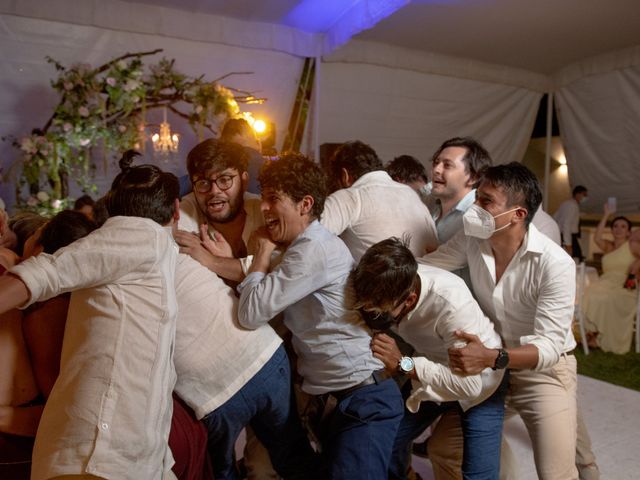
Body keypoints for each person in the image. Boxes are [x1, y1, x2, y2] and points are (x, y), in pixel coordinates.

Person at [0, 154, 181, 479]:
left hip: (132, 454)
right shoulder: (143, 234)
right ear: (177, 211)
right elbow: (47, 272)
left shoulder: (160, 251)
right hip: (98, 454)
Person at [237, 153, 404, 478]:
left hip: (364, 400)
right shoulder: (305, 247)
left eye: (274, 199)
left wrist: (261, 252)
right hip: (336, 400)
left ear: (305, 204)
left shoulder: (313, 248)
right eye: (263, 197)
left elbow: (251, 312)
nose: (265, 208)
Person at [422, 162, 579, 480]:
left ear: (518, 215)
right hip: (491, 367)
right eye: (477, 197)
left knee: (556, 472)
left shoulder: (555, 264)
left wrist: (491, 357)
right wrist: (383, 269)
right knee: (444, 449)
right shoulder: (472, 239)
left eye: (486, 201)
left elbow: (548, 347)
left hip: (543, 373)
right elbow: (426, 266)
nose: (475, 207)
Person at [351, 237, 507, 479]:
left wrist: (404, 364)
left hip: (482, 383)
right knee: (384, 440)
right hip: (433, 369)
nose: (374, 314)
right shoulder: (391, 279)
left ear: (410, 300)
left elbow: (469, 385)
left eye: (380, 310)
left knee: (478, 475)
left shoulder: (450, 304)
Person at [321, 141, 438, 261]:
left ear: (345, 175)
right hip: (420, 276)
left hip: (374, 278)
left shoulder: (348, 197)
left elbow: (311, 242)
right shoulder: (411, 195)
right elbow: (433, 247)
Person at [177, 138, 264, 282]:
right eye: (203, 183)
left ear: (244, 181)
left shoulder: (265, 211)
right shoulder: (186, 210)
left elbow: (278, 276)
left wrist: (213, 261)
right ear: (193, 187)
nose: (214, 191)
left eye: (224, 180)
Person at [583, 205, 640, 353]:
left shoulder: (632, 245)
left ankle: (599, 337)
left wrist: (637, 262)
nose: (618, 229)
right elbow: (597, 237)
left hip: (625, 285)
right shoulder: (608, 246)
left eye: (623, 226)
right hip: (605, 282)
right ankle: (593, 334)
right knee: (588, 293)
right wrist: (606, 215)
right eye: (615, 226)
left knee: (608, 298)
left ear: (628, 231)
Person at [220, 118, 265, 195]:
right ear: (244, 133)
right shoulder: (264, 166)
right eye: (254, 134)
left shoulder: (219, 165)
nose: (257, 138)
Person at [553, 185, 588, 261]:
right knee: (575, 259)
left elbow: (556, 217)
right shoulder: (572, 206)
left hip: (563, 236)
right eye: (584, 195)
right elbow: (567, 224)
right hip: (567, 236)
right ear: (578, 194)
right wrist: (568, 244)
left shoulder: (567, 203)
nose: (586, 197)